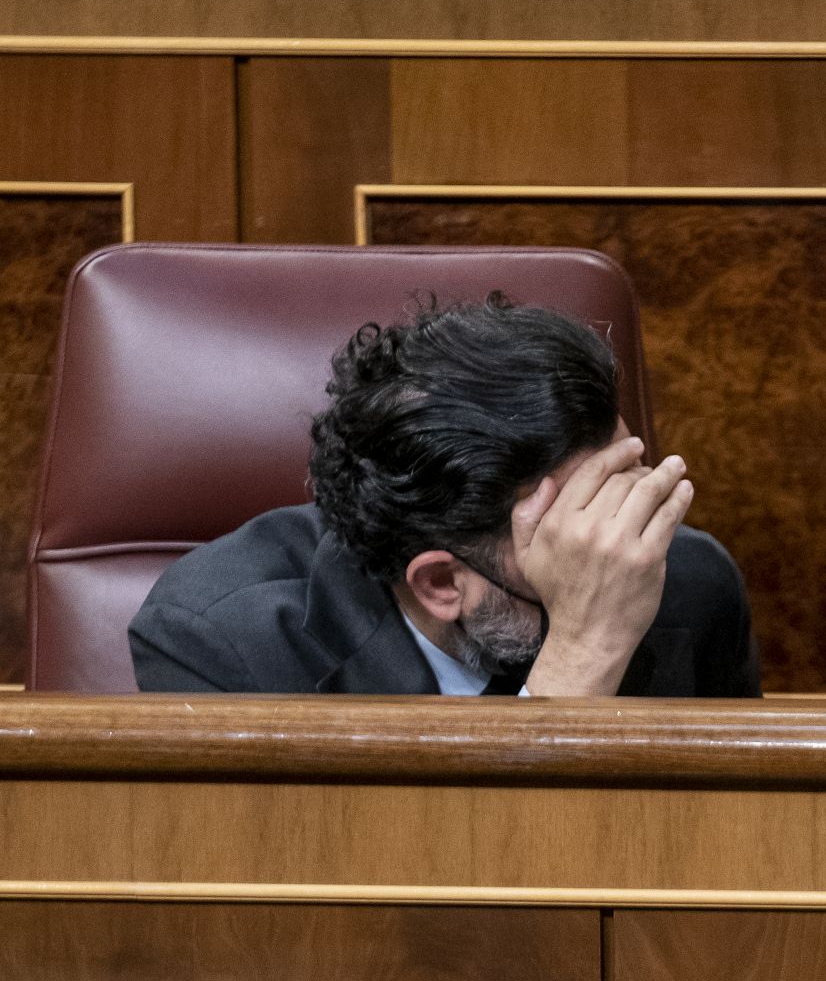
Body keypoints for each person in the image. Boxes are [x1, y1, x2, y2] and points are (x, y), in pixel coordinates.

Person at [131, 294, 760, 698]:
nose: (621, 545)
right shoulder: (220, 643)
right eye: (576, 535)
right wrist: (581, 659)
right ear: (440, 583)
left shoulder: (687, 584)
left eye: (622, 489)